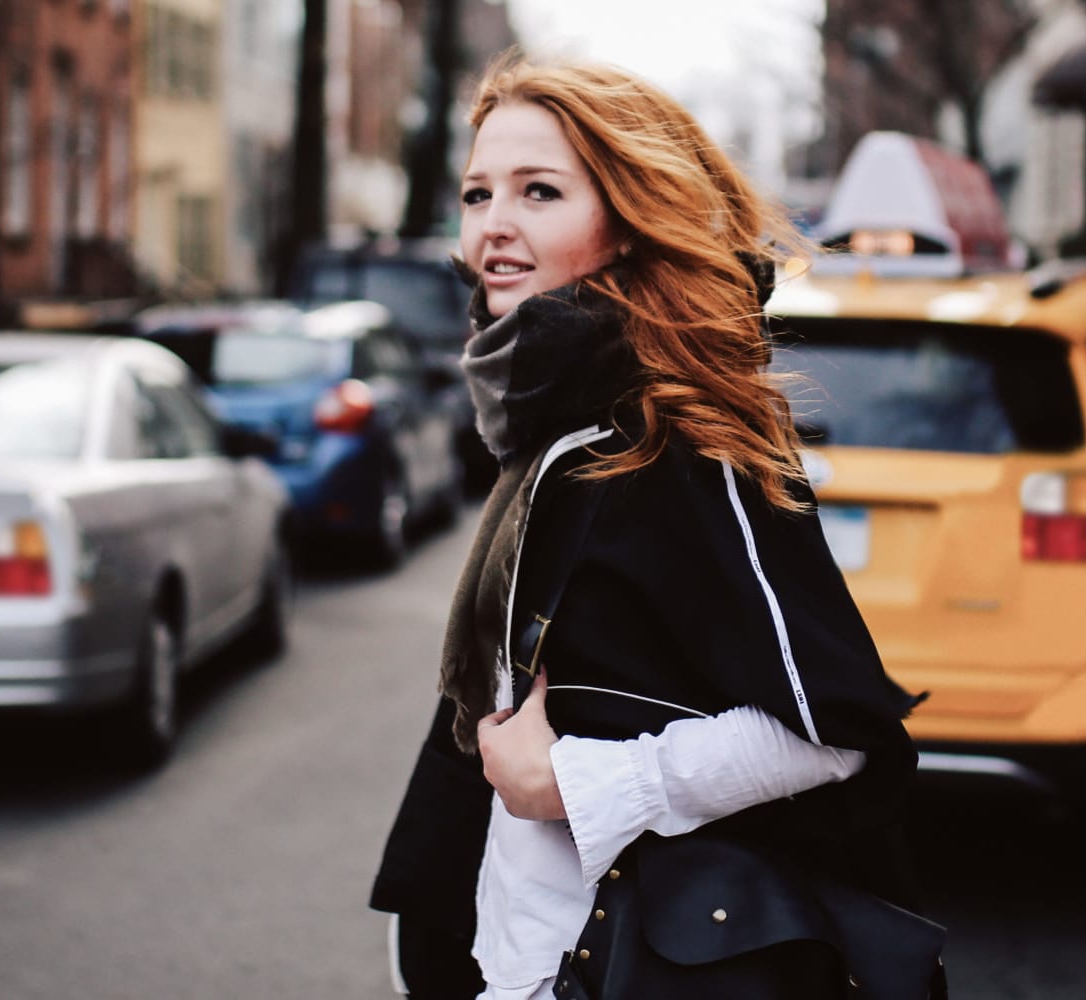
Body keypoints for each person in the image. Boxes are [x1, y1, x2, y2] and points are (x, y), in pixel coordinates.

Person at [368, 55, 933, 999]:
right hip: (524, 953)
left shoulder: (673, 436)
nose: (493, 225)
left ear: (627, 225)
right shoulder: (549, 420)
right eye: (477, 194)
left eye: (539, 191)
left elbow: (837, 729)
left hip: (628, 963)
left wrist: (579, 786)